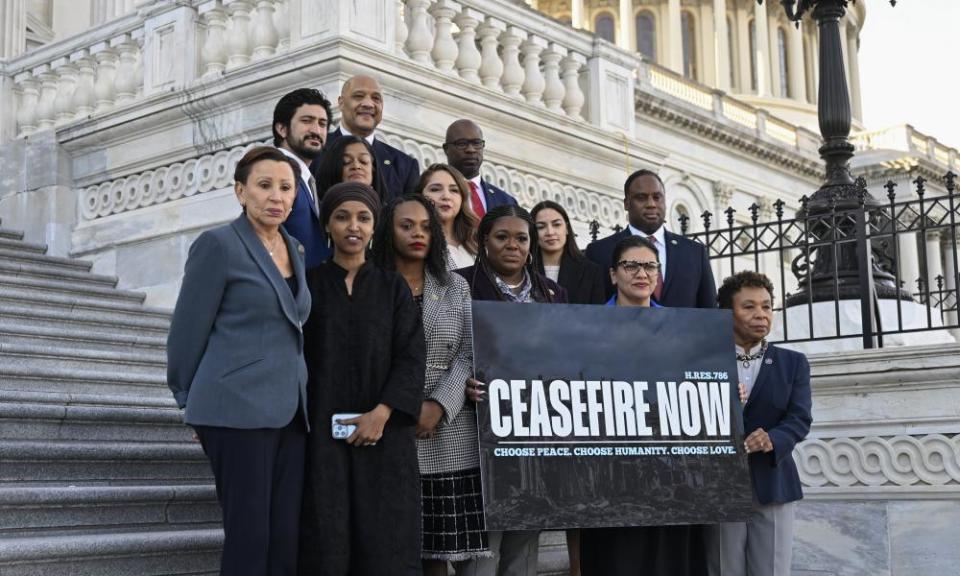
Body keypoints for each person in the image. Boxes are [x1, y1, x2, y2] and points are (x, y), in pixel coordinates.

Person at [166, 146, 311, 576]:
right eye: (264, 186)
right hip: (234, 408)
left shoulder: (297, 249)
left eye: (286, 188)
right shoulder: (218, 245)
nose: (276, 197)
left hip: (290, 411)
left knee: (285, 536)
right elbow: (187, 331)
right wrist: (186, 400)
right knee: (251, 537)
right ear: (240, 191)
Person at [298, 182, 426, 576]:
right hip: (322, 440)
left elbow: (410, 356)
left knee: (386, 543)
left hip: (385, 439)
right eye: (342, 216)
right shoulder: (309, 285)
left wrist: (382, 413)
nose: (353, 226)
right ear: (327, 226)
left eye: (363, 217)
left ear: (375, 228)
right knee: (327, 539)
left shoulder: (393, 289)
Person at [372, 194, 490, 575]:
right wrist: (401, 406)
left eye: (426, 227)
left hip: (450, 430)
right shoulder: (372, 285)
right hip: (389, 424)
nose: (418, 234)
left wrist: (439, 405)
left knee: (450, 549)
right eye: (406, 226)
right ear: (388, 231)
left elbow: (470, 354)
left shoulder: (455, 286)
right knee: (413, 552)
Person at [579, 235, 708, 576]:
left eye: (650, 266)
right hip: (609, 468)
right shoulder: (584, 326)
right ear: (613, 274)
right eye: (631, 265)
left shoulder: (683, 328)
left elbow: (697, 381)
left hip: (670, 466)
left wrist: (725, 390)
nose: (641, 273)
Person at [455, 204, 567, 576]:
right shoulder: (460, 283)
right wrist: (463, 384)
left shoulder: (553, 293)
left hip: (535, 432)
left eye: (521, 238)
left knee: (524, 546)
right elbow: (445, 348)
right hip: (479, 433)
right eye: (502, 237)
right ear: (484, 240)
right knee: (484, 551)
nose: (512, 245)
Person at [704, 271, 813, 576]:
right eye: (749, 306)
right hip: (720, 484)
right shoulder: (705, 362)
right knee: (725, 569)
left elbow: (800, 418)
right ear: (728, 313)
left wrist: (774, 439)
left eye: (766, 306)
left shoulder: (793, 363)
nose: (761, 315)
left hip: (774, 481)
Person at [585, 169, 716, 307]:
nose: (651, 204)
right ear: (626, 204)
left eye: (657, 197)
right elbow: (591, 311)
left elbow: (709, 312)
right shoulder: (599, 252)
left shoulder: (694, 253)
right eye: (641, 197)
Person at [314, 74, 420, 200]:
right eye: (358, 96)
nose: (368, 104)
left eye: (376, 98)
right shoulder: (315, 150)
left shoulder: (404, 166)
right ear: (341, 103)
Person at [273, 88, 333, 268]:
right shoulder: (274, 170)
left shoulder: (306, 178)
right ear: (282, 129)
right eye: (307, 121)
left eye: (322, 124)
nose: (316, 130)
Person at [531, 200, 605, 305]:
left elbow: (597, 316)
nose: (550, 232)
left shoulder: (590, 271)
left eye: (556, 224)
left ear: (566, 228)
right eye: (541, 227)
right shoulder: (523, 270)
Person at [442, 119, 517, 219]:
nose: (471, 149)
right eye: (462, 143)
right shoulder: (434, 194)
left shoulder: (506, 201)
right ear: (446, 149)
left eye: (476, 143)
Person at [417, 163, 480, 269]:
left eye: (454, 190)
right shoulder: (416, 242)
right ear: (420, 196)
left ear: (462, 198)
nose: (446, 196)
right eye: (435, 189)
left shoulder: (477, 244)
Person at [312, 134, 389, 202]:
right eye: (346, 161)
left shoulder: (389, 213)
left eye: (363, 161)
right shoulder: (316, 208)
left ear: (373, 168)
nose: (356, 166)